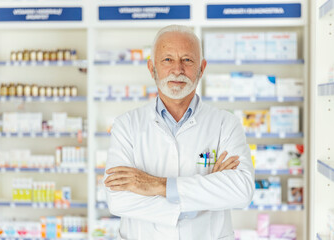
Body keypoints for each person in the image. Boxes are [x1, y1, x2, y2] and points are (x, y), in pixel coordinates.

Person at [104, 25, 255, 240]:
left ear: (201, 69)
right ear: (151, 68)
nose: (177, 70)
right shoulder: (126, 125)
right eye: (167, 60)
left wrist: (157, 185)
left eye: (187, 60)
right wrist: (205, 194)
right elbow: (118, 199)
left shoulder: (226, 124)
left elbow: (241, 191)